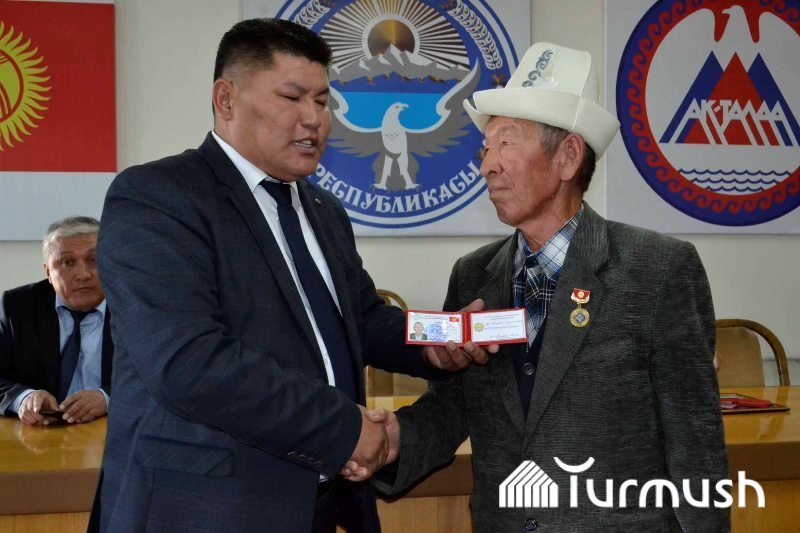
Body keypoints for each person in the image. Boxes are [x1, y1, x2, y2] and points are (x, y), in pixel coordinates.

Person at [89, 18, 492, 533]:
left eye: (322, 102)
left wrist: (439, 339)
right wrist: (343, 431)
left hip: (323, 506)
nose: (314, 119)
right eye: (292, 97)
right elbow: (187, 361)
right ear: (226, 99)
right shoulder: (158, 196)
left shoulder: (323, 209)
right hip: (205, 511)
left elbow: (364, 319)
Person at [356, 42, 729, 531]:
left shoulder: (659, 269)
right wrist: (394, 440)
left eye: (506, 143)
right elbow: (454, 404)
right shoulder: (473, 275)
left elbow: (696, 442)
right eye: (486, 148)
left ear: (568, 156)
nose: (487, 165)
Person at [0, 216, 112, 426]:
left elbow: (162, 378)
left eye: (93, 260)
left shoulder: (137, 307)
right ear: (48, 272)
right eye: (67, 262)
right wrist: (24, 398)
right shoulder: (17, 307)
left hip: (114, 431)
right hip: (40, 435)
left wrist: (107, 398)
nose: (83, 274)